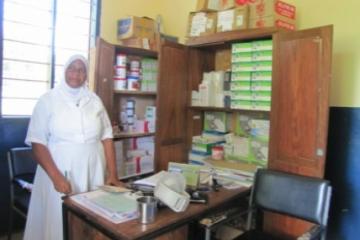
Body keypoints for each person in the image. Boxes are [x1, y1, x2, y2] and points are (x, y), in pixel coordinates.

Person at [23, 55, 123, 240]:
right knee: (59, 221)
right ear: (64, 70)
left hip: (93, 170)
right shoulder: (48, 100)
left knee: (92, 219)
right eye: (72, 68)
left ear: (86, 74)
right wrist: (56, 177)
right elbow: (37, 143)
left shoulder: (95, 101)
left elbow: (107, 137)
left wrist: (113, 175)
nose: (76, 73)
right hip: (60, 171)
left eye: (81, 69)